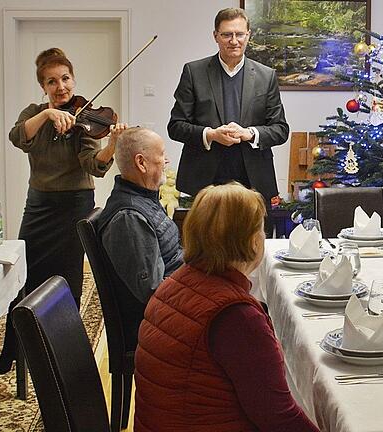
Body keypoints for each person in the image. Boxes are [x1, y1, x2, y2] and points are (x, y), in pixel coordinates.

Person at [134, 183, 319, 432]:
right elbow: (278, 418)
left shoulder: (174, 284)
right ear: (254, 241)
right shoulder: (236, 317)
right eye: (261, 230)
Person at [0, 47, 127, 374]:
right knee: (23, 279)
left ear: (73, 78)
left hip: (74, 206)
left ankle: (63, 351)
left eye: (65, 78)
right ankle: (13, 348)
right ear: (43, 87)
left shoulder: (84, 119)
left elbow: (92, 166)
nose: (61, 86)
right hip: (39, 205)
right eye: (52, 81)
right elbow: (16, 136)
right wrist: (48, 115)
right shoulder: (33, 114)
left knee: (67, 279)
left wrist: (112, 144)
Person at [167, 8, 289, 219]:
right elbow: (176, 126)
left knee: (251, 248)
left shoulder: (266, 76)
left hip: (253, 181)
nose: (234, 41)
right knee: (206, 247)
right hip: (204, 181)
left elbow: (280, 129)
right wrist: (211, 135)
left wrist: (249, 133)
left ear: (248, 35)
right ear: (215, 36)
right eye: (226, 34)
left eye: (239, 34)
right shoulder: (194, 72)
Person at [97, 127, 183, 349]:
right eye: (162, 155)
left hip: (174, 301)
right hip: (155, 326)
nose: (166, 160)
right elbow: (153, 292)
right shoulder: (129, 217)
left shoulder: (144, 198)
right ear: (141, 163)